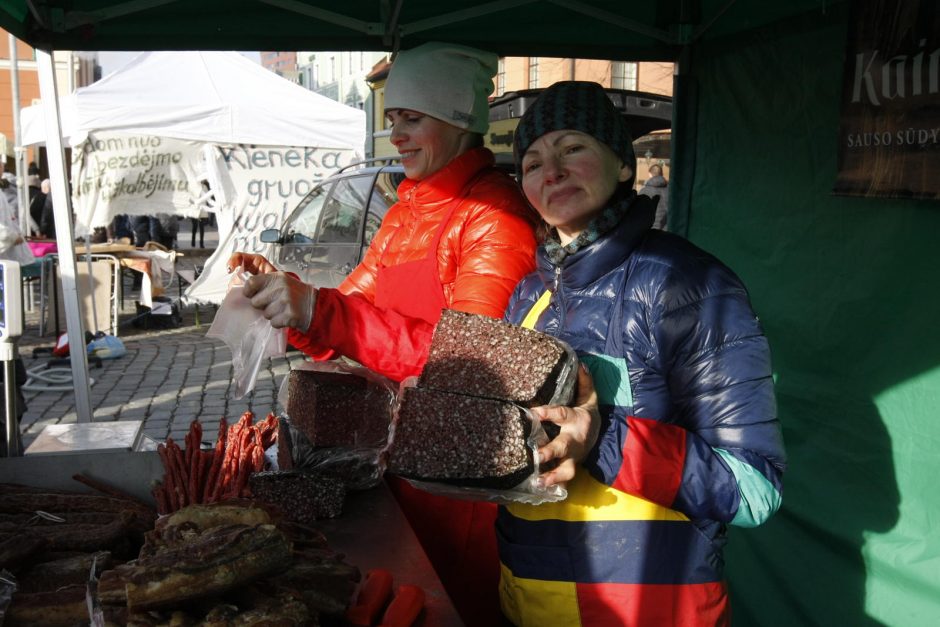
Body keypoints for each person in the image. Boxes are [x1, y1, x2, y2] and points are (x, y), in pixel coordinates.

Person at [229, 42, 538, 625]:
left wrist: (320, 312)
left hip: (459, 480)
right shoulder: (405, 213)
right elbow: (348, 316)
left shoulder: (495, 218)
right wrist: (289, 300)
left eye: (412, 118)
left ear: (461, 120)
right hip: (392, 462)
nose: (395, 134)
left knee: (451, 608)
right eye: (393, 119)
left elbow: (470, 366)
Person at [497, 81, 787, 626]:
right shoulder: (527, 296)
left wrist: (602, 439)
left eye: (573, 148)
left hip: (647, 611)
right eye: (532, 162)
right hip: (526, 599)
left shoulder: (689, 285)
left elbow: (753, 488)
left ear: (624, 165)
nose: (550, 171)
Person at [639, 162, 669, 229]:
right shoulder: (670, 190)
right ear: (661, 174)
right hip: (668, 231)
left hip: (650, 231)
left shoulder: (644, 191)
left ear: (650, 174)